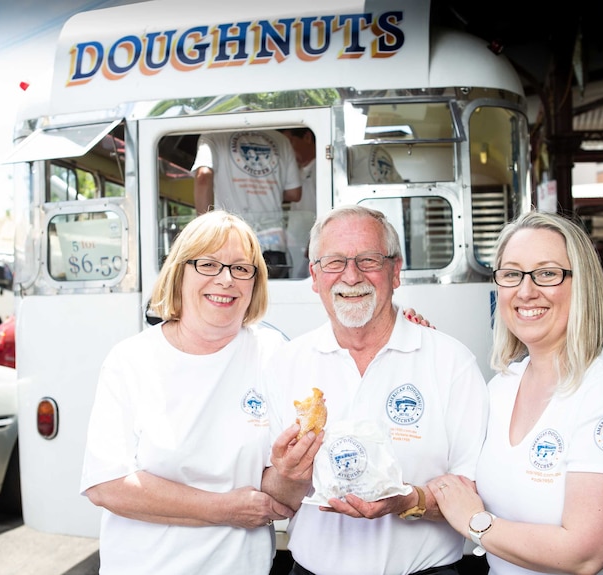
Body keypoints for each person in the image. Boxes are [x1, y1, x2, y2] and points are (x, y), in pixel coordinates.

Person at [425, 210, 603, 575]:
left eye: (547, 273)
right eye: (511, 274)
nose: (526, 291)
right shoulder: (502, 386)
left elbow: (583, 554)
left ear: (583, 283)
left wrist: (476, 522)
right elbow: (458, 485)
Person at [261, 205, 489, 575]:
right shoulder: (286, 364)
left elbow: (474, 487)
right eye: (334, 262)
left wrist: (409, 501)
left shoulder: (450, 362)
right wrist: (287, 474)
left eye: (368, 259)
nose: (351, 276)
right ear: (315, 277)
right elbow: (274, 497)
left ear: (395, 271)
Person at [79, 210, 299, 575]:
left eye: (241, 268)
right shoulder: (132, 359)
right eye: (209, 264)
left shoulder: (272, 353)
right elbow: (107, 485)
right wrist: (225, 509)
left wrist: (293, 473)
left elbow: (280, 492)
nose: (226, 280)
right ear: (179, 272)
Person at [192, 130, 302, 278]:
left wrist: (206, 235)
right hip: (273, 242)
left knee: (233, 297)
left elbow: (203, 177)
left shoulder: (213, 134)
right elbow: (294, 193)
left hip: (229, 241)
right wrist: (268, 189)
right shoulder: (281, 139)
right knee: (274, 297)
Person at [281, 128, 317, 279]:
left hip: (312, 248)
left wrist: (315, 240)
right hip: (296, 246)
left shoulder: (322, 169)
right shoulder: (298, 171)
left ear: (307, 138)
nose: (287, 152)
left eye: (289, 144)